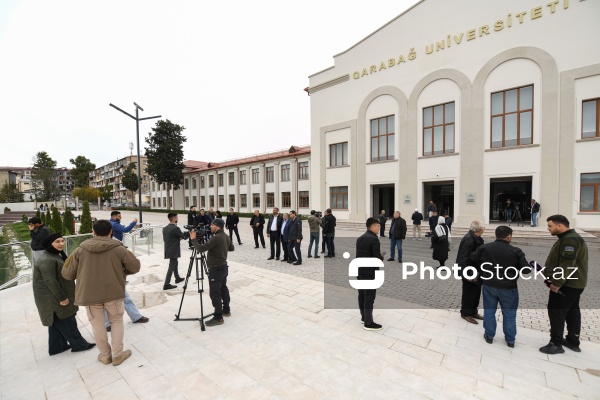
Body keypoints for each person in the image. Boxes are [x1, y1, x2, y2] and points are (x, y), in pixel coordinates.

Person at [62, 219, 141, 366]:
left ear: (93, 232)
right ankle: (117, 355)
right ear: (111, 232)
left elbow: (67, 273)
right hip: (114, 292)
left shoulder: (79, 250)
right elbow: (135, 266)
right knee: (116, 321)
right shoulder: (119, 248)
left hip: (90, 295)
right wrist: (123, 272)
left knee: (97, 325)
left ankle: (105, 355)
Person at [33, 233, 95, 356]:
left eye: (62, 241)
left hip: (52, 296)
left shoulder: (53, 255)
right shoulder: (47, 260)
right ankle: (79, 345)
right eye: (57, 241)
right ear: (50, 244)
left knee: (56, 320)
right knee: (67, 318)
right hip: (52, 297)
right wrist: (61, 297)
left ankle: (57, 347)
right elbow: (50, 280)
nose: (61, 244)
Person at [470, 226, 530, 348]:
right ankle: (510, 340)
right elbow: (526, 270)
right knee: (509, 314)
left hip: (489, 285)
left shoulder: (485, 248)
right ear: (508, 236)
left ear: (496, 235)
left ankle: (489, 335)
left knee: (489, 311)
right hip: (509, 288)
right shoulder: (516, 251)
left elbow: (473, 257)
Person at [539, 215, 588, 354]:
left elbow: (567, 264)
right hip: (574, 284)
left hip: (567, 284)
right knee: (572, 312)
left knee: (556, 312)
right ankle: (573, 341)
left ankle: (556, 343)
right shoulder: (567, 238)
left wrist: (557, 283)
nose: (548, 229)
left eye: (550, 226)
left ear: (559, 226)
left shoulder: (570, 240)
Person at [190, 218, 234, 327]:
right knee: (223, 288)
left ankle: (218, 317)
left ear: (217, 226)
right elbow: (231, 248)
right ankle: (226, 310)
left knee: (215, 292)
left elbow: (200, 249)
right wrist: (221, 249)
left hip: (216, 268)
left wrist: (193, 239)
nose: (210, 226)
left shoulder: (216, 238)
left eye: (212, 225)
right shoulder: (226, 236)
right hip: (223, 267)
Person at [356, 217, 384, 331]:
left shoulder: (360, 238)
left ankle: (364, 317)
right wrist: (381, 257)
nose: (379, 228)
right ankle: (368, 322)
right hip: (370, 273)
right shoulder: (374, 239)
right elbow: (376, 258)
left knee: (362, 295)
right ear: (372, 227)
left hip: (360, 271)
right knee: (369, 297)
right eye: (378, 226)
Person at [455, 220, 485, 324]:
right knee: (468, 293)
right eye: (483, 227)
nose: (484, 229)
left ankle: (473, 311)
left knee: (476, 292)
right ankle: (466, 313)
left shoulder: (477, 238)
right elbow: (463, 258)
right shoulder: (469, 239)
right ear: (479, 229)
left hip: (476, 270)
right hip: (469, 271)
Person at [162, 213, 186, 290]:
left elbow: (168, 239)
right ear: (174, 218)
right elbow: (183, 236)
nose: (177, 218)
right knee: (171, 266)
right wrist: (190, 233)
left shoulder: (165, 228)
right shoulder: (175, 228)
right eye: (177, 217)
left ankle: (177, 278)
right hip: (174, 250)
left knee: (175, 263)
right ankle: (166, 284)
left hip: (168, 249)